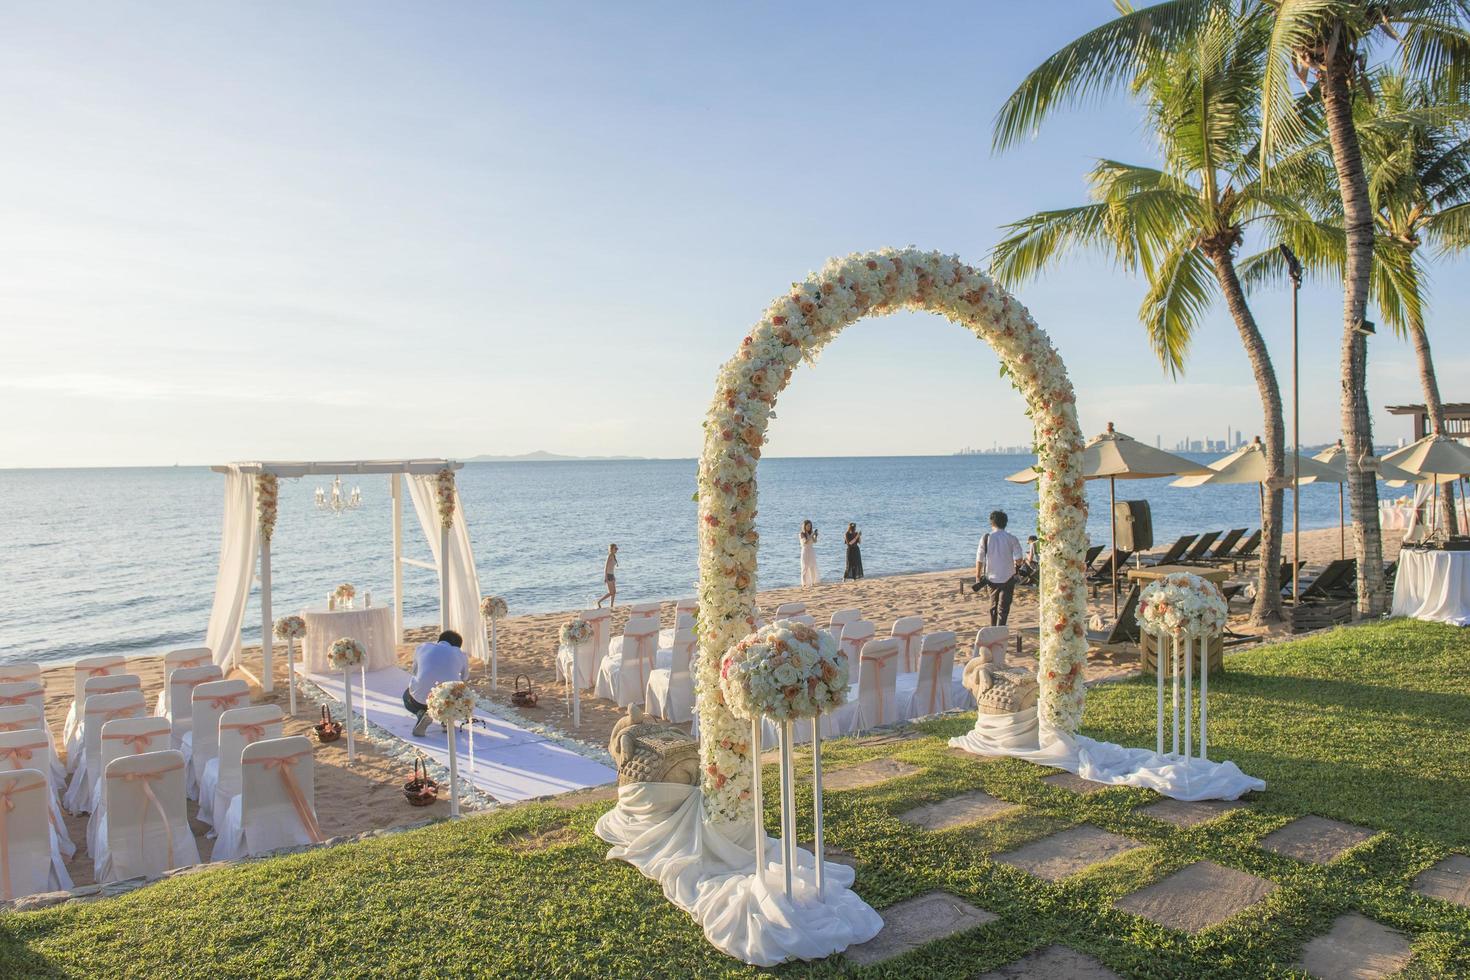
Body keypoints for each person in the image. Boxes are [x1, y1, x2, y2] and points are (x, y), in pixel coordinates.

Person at [404, 630, 471, 736]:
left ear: (439, 640)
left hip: (420, 700)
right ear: (457, 646)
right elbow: (464, 677)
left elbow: (415, 671)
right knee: (454, 692)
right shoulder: (461, 654)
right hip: (448, 702)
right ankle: (447, 720)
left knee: (406, 696)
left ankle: (421, 713)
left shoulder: (422, 647)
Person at [974, 510, 1024, 626]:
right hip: (1008, 577)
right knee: (1004, 608)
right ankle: (1001, 628)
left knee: (993, 606)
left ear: (992, 523)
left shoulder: (986, 538)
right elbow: (1019, 559)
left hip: (991, 577)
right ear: (1005, 523)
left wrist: (977, 576)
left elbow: (979, 558)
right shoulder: (1012, 538)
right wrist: (1017, 569)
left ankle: (993, 629)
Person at [597, 544, 618, 608]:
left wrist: (613, 576)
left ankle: (611, 605)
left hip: (612, 575)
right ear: (611, 549)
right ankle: (599, 601)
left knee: (614, 592)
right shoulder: (609, 556)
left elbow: (612, 567)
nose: (617, 550)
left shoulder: (614, 556)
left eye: (617, 548)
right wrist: (605, 577)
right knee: (611, 592)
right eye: (615, 548)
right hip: (608, 575)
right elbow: (605, 567)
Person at [799, 520, 820, 587]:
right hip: (805, 551)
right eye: (808, 526)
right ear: (804, 526)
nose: (809, 527)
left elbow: (814, 541)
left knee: (812, 567)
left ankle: (813, 582)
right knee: (804, 567)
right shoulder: (801, 534)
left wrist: (815, 536)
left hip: (811, 551)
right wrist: (811, 535)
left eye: (810, 526)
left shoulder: (810, 533)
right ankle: (804, 584)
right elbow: (805, 542)